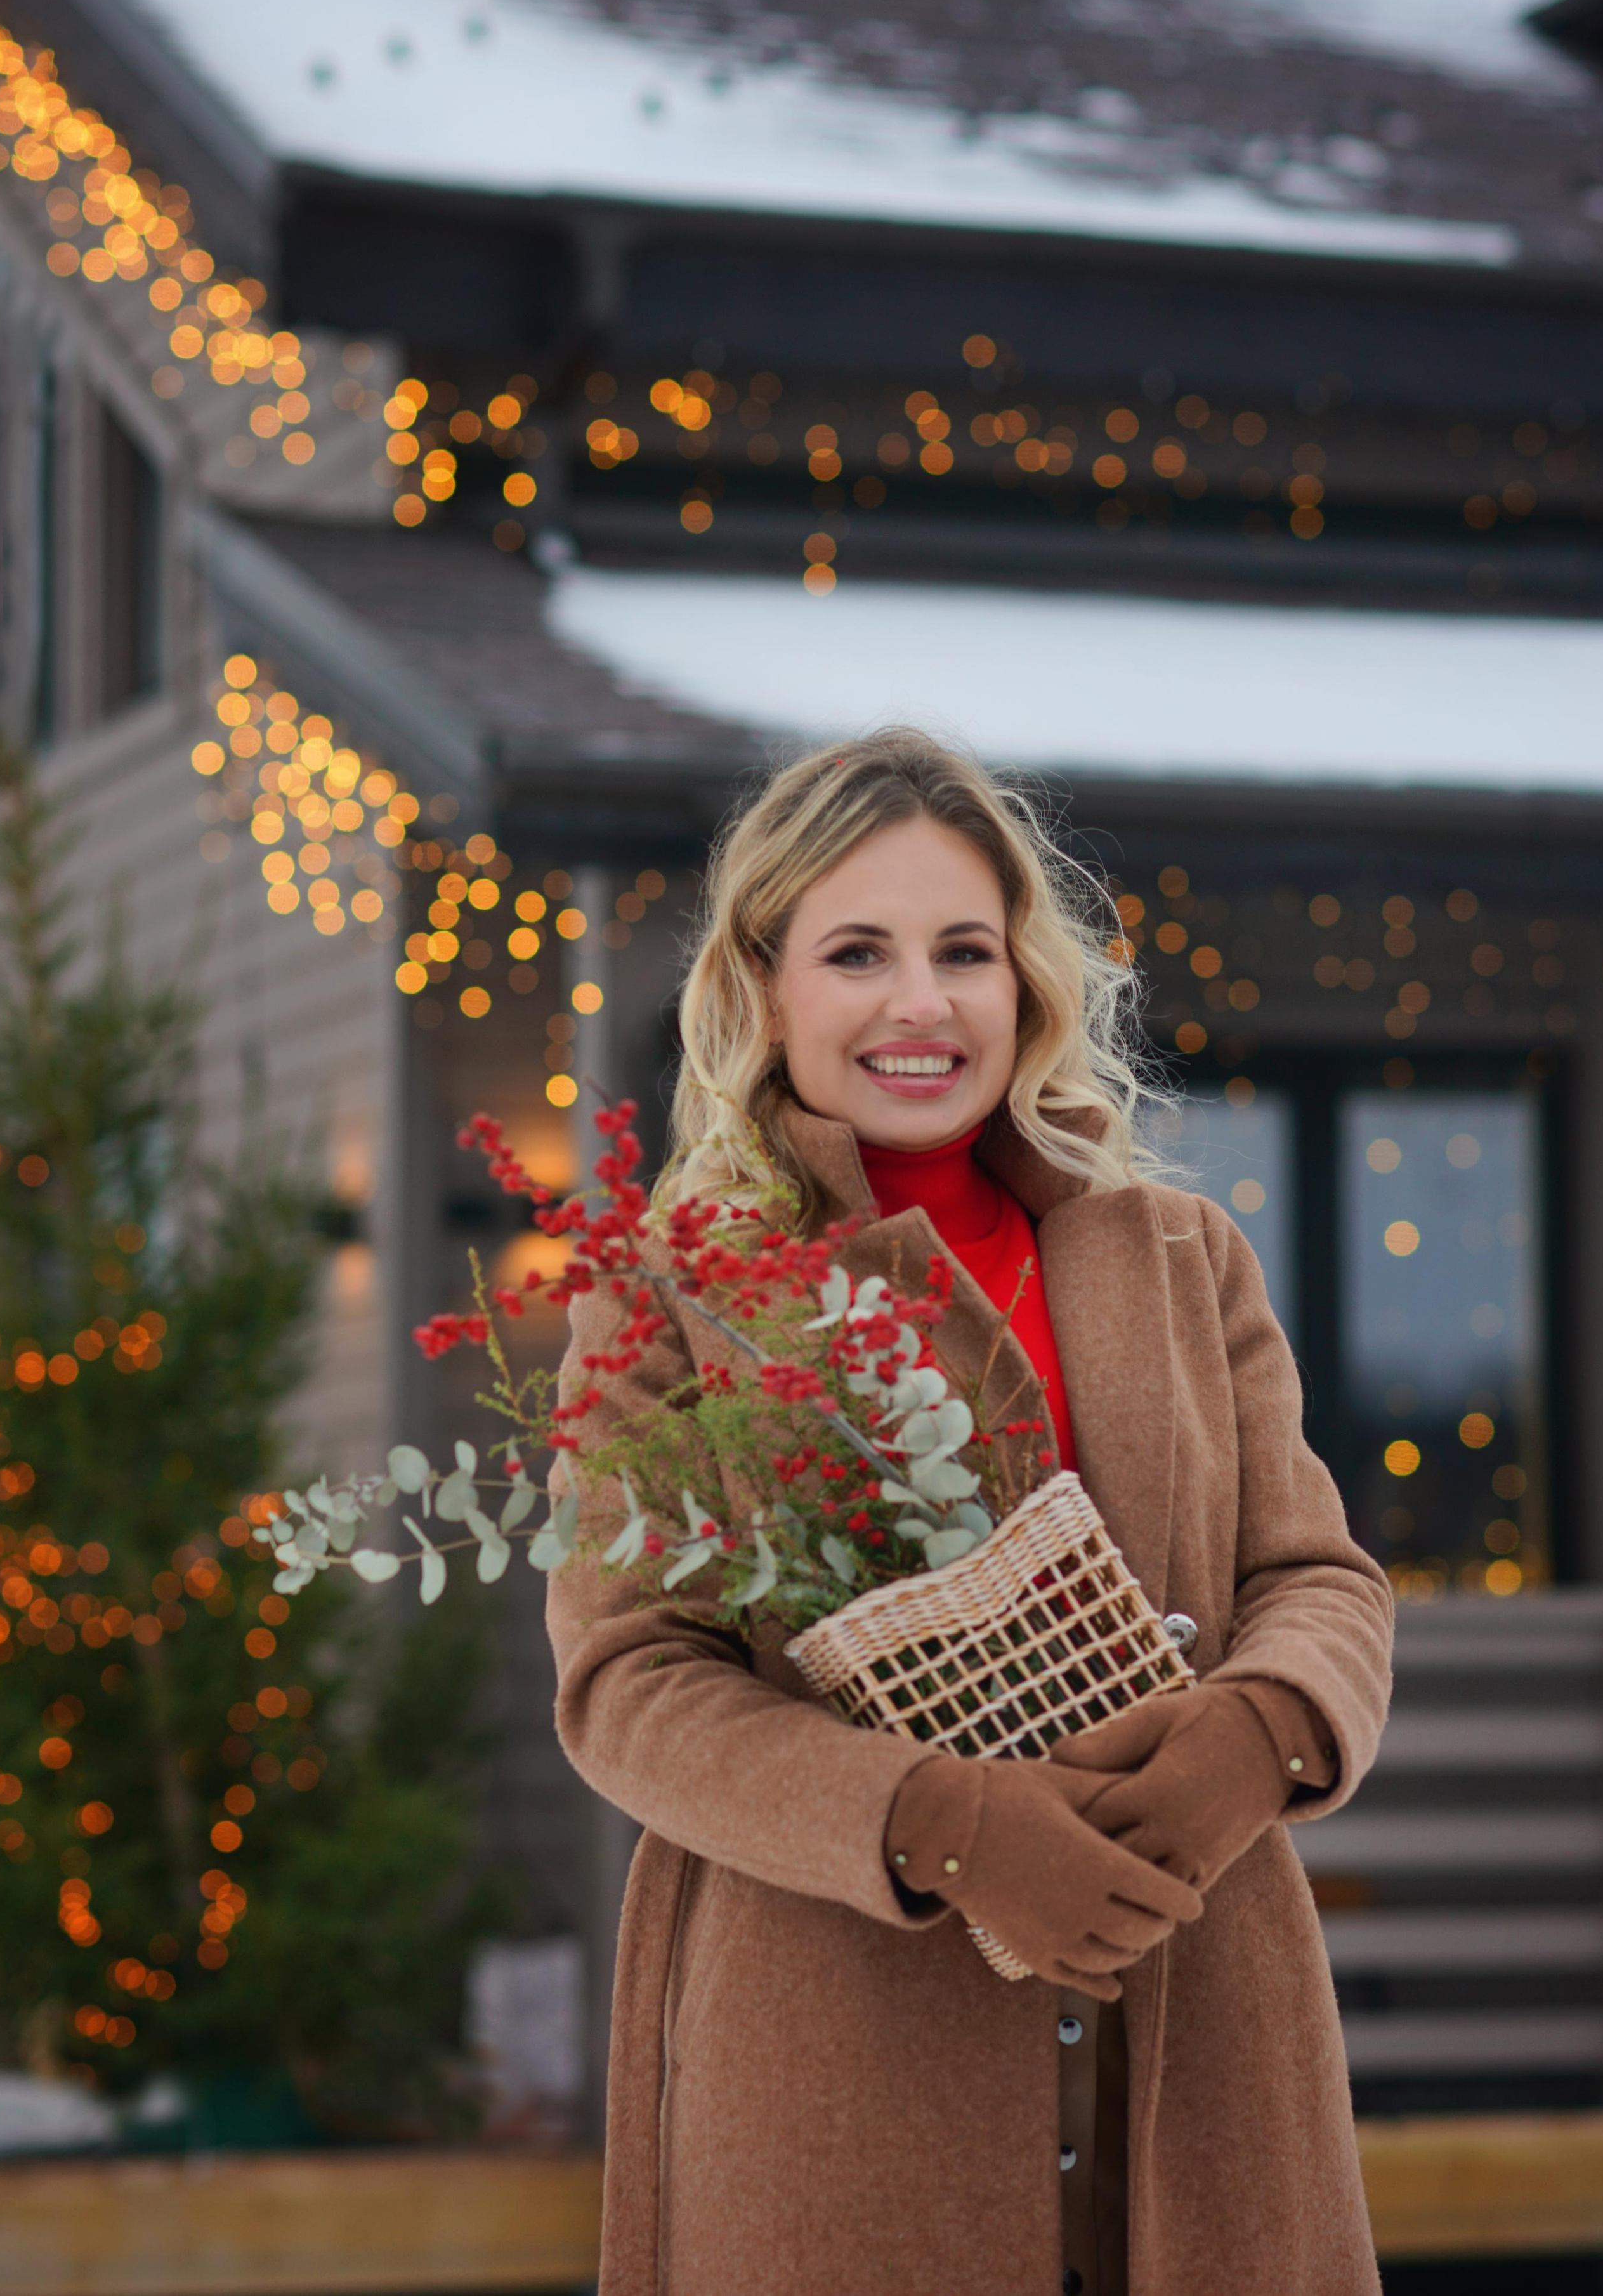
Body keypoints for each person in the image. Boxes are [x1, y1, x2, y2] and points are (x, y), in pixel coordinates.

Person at [547, 728, 1392, 2296]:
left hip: (1201, 2005)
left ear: (1025, 984)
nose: (920, 1003)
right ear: (765, 983)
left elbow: (1317, 1572)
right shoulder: (670, 1298)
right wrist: (941, 1822)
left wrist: (1255, 1737)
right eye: (856, 951)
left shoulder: (1179, 1254)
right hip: (838, 2045)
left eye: (964, 951)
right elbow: (626, 1686)